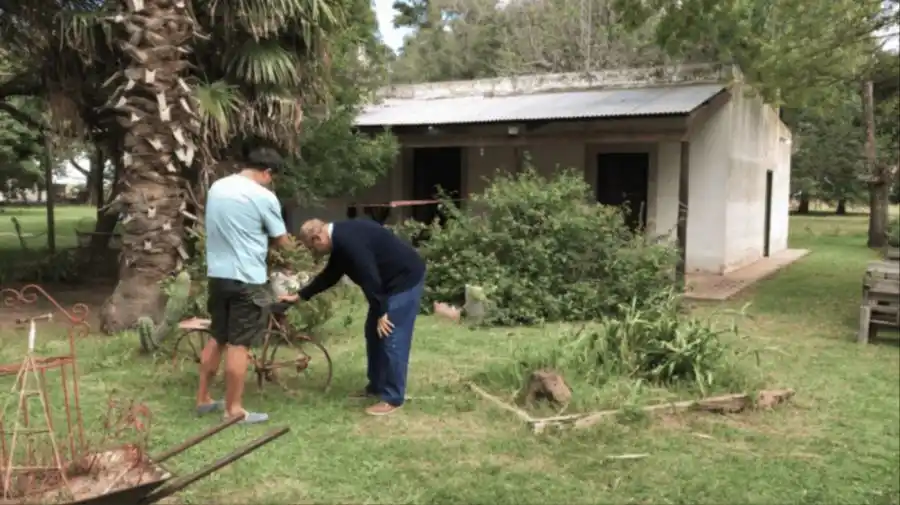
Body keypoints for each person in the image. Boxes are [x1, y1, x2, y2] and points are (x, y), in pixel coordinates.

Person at [195, 147, 293, 424]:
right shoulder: (264, 196)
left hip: (218, 275)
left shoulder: (217, 187)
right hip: (247, 279)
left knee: (218, 337)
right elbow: (282, 240)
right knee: (240, 344)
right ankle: (234, 410)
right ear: (267, 173)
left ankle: (203, 399)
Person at [294, 218, 426, 416]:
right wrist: (301, 295)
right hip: (386, 286)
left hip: (404, 280)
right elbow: (331, 274)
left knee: (392, 336)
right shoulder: (339, 240)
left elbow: (369, 275)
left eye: (312, 248)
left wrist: (382, 312)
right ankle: (377, 386)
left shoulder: (347, 241)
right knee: (373, 333)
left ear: (318, 237)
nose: (315, 253)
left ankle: (393, 397)